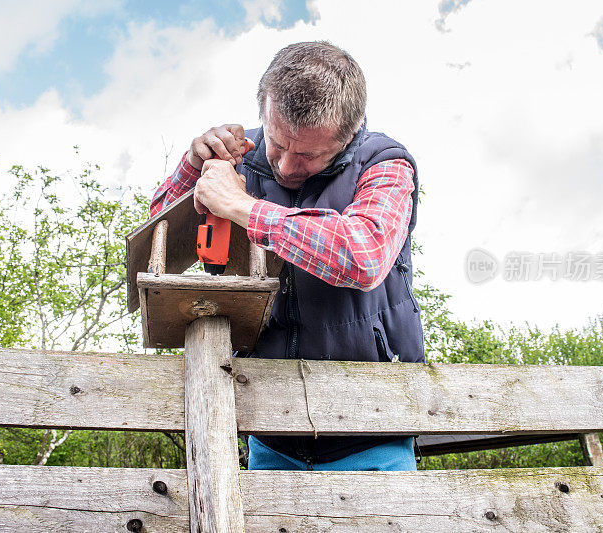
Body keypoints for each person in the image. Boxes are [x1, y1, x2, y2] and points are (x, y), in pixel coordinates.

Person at [149, 41, 425, 471]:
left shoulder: (385, 163)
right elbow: (158, 241)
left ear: (351, 133)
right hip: (269, 431)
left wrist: (243, 208)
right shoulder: (239, 155)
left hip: (373, 428)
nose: (287, 167)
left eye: (310, 155)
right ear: (263, 112)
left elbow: (363, 255)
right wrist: (191, 167)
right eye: (277, 144)